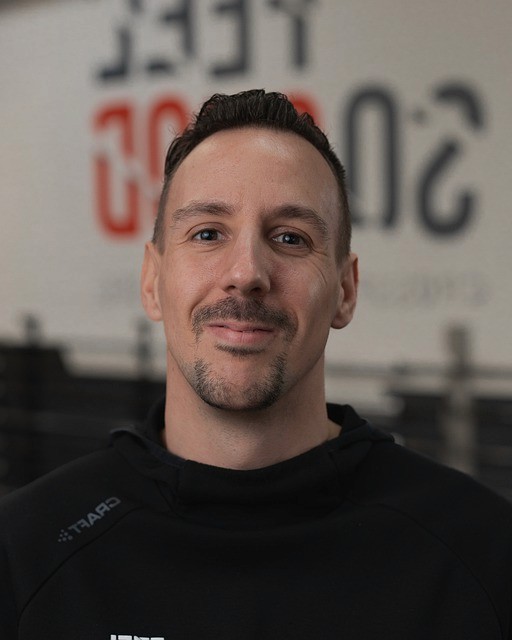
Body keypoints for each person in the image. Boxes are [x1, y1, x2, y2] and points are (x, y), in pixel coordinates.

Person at [1, 89, 511, 640]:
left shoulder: (484, 556)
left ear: (345, 290)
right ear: (152, 280)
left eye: (291, 238)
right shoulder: (23, 554)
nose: (246, 273)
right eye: (207, 233)